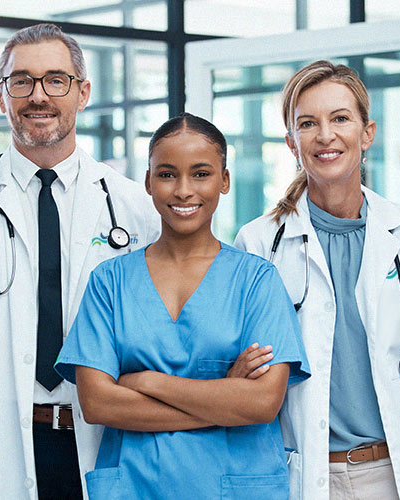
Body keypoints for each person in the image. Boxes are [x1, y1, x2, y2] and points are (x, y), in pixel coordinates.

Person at [0, 23, 161, 499]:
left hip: (105, 446)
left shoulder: (137, 211)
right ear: (1, 95)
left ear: (83, 92)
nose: (38, 96)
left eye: (56, 80)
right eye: (21, 81)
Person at [55, 112, 310, 499]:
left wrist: (148, 382)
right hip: (136, 487)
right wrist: (224, 397)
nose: (184, 190)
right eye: (168, 174)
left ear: (224, 181)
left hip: (235, 488)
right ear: (148, 182)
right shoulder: (110, 282)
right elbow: (97, 403)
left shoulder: (256, 280)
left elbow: (261, 403)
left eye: (201, 173)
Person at [234, 61, 400, 500]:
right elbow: (250, 369)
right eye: (308, 123)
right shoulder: (258, 243)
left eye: (340, 119)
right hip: (308, 473)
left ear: (367, 132)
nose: (325, 135)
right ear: (292, 142)